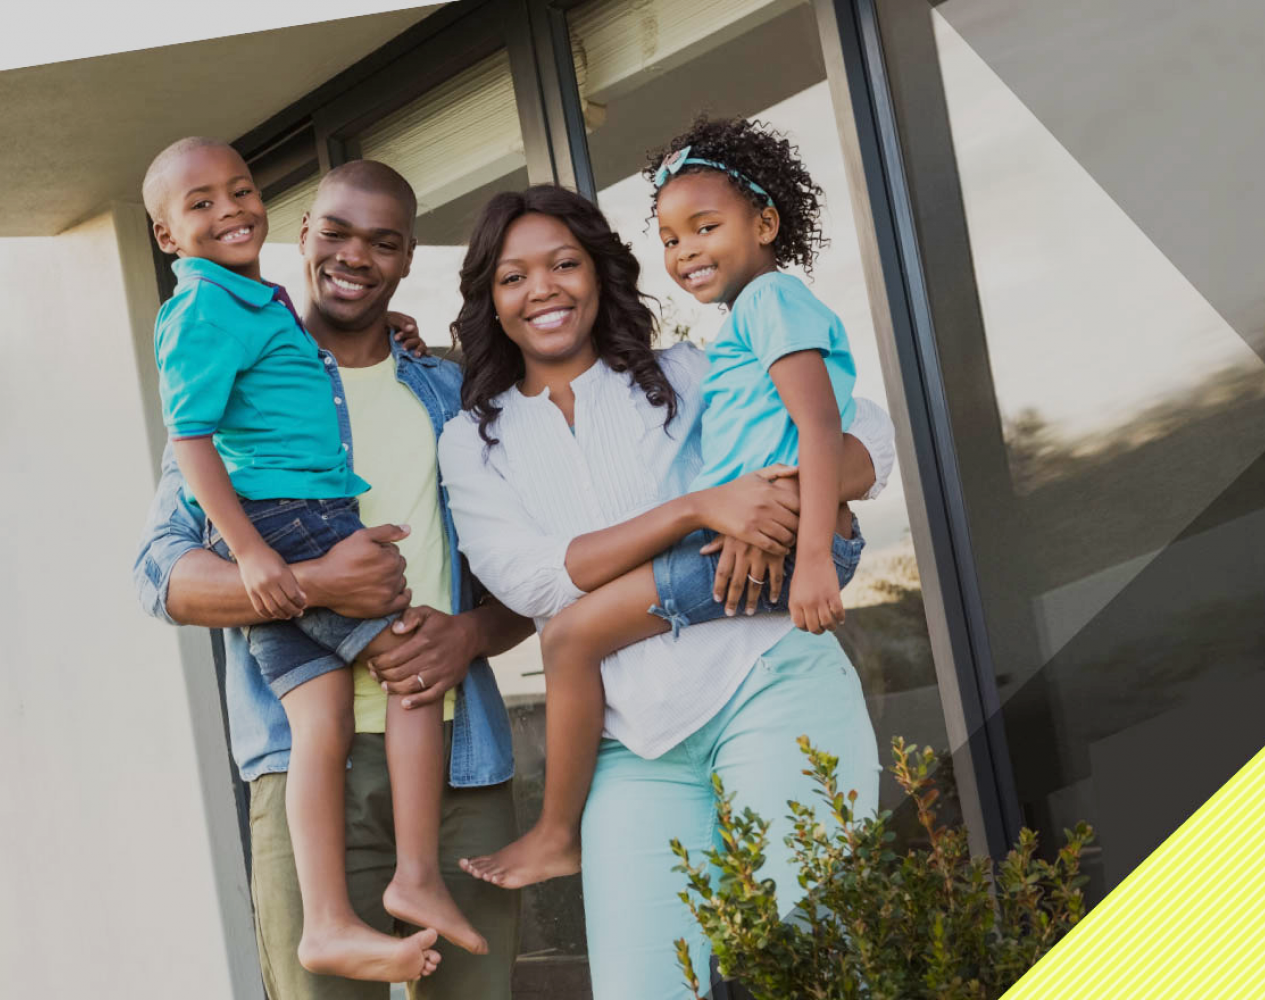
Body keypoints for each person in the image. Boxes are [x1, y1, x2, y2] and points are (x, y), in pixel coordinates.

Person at [435, 184, 892, 996]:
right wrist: (697, 506)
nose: (542, 289)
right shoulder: (473, 439)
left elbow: (869, 436)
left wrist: (782, 503)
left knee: (815, 968)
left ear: (600, 274)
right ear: (490, 301)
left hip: (767, 681)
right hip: (629, 747)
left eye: (565, 264)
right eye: (514, 277)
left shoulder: (689, 371)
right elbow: (534, 579)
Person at [133, 154, 530, 998]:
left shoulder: (451, 393)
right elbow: (160, 578)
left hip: (461, 769)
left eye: (382, 243)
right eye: (337, 233)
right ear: (303, 235)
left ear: (407, 259)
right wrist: (316, 583)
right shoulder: (240, 390)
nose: (355, 257)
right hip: (306, 771)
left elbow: (531, 582)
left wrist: (465, 636)